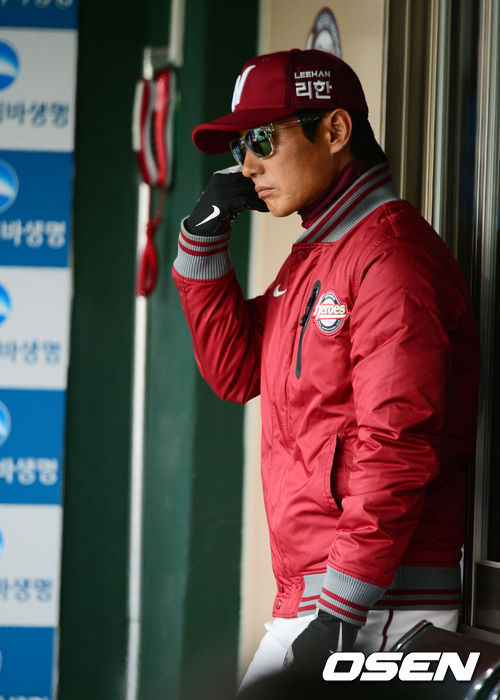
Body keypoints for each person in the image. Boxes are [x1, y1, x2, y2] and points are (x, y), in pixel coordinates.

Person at [172, 49, 479, 689]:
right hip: (327, 597)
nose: (247, 165)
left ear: (335, 130)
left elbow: (397, 442)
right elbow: (236, 371)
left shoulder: (391, 257)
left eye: (262, 139)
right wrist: (203, 243)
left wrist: (341, 609)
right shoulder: (319, 256)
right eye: (239, 147)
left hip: (377, 604)